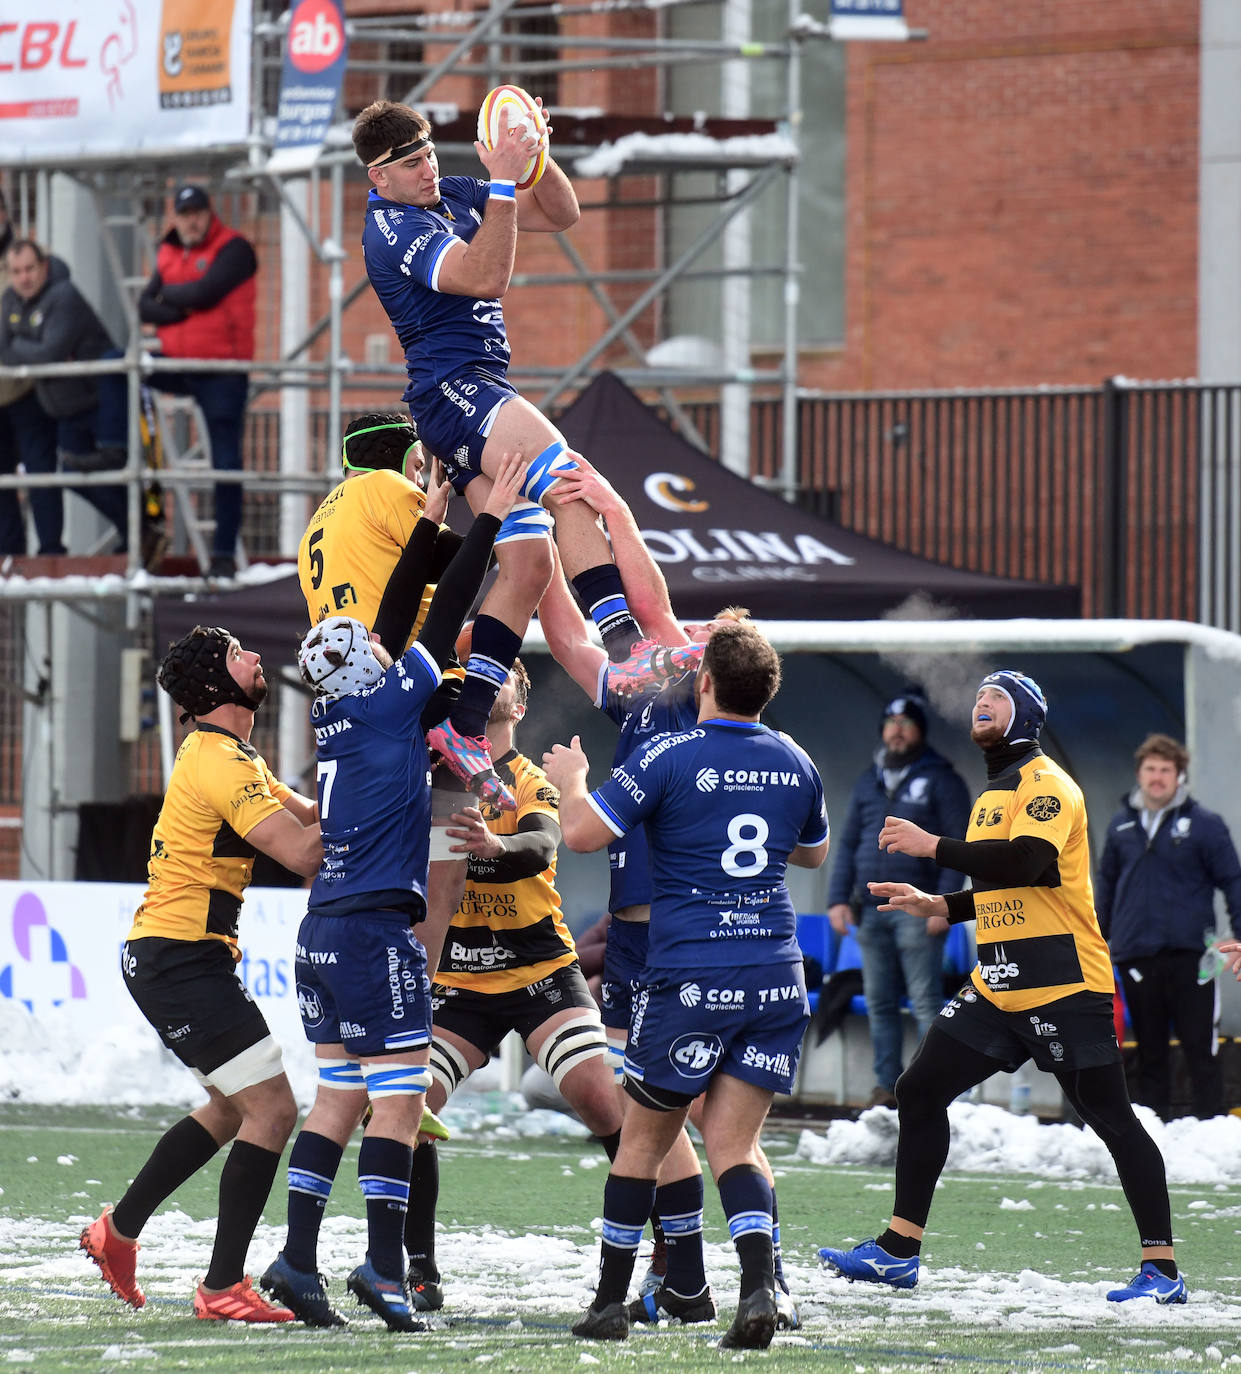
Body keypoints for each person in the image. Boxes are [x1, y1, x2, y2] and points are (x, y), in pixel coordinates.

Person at [816, 670, 1187, 1307]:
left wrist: (931, 845)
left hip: (1065, 986)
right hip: (999, 986)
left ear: (1025, 719)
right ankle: (899, 1252)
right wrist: (939, 904)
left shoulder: (1049, 786)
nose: (982, 705)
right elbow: (1004, 884)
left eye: (999, 699)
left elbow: (1026, 864)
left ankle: (1163, 1269)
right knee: (919, 1089)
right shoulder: (991, 796)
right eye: (979, 698)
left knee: (1110, 1120)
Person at [260, 452, 524, 1333]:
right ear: (365, 664)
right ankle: (381, 1265)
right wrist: (479, 523)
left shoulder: (340, 710)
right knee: (399, 1101)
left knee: (336, 1095)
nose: (383, 642)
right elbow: (439, 602)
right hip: (373, 932)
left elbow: (388, 613)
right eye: (375, 645)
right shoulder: (385, 700)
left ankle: (298, 1260)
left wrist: (435, 511)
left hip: (321, 932)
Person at [352, 99, 676, 807]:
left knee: (528, 563)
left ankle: (466, 721)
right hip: (454, 390)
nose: (429, 168)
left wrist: (532, 156)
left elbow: (560, 213)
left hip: (473, 397)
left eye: (431, 153)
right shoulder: (391, 227)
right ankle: (626, 647)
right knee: (572, 482)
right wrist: (500, 184)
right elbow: (482, 277)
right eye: (411, 164)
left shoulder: (453, 191)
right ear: (379, 178)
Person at [544, 621, 831, 1348]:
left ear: (702, 681)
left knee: (640, 1141)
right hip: (774, 973)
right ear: (765, 691)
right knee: (735, 1143)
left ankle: (608, 1303)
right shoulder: (796, 760)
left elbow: (581, 833)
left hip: (693, 975)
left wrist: (571, 782)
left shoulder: (671, 754)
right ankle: (761, 1288)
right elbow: (812, 851)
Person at [78, 625, 322, 1322]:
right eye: (238, 653)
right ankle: (220, 1288)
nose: (254, 658)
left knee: (229, 1108)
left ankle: (115, 1232)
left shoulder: (232, 753)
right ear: (218, 684)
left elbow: (311, 815)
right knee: (272, 1109)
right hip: (178, 960)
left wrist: (367, 776)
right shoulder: (221, 760)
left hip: (185, 955)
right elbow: (305, 854)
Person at [401, 656, 626, 1313]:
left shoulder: (527, 780)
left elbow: (542, 844)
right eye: (475, 674)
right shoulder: (432, 779)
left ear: (519, 708)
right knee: (408, 1110)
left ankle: (666, 1244)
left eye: (502, 677)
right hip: (459, 975)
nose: (486, 680)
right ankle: (418, 1268)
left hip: (538, 969)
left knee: (600, 1100)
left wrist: (492, 850)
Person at [826, 691, 972, 1108]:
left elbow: (955, 844)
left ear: (920, 731)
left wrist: (942, 905)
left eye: (907, 724)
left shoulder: (942, 778)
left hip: (918, 909)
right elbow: (850, 842)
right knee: (880, 1004)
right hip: (871, 911)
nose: (897, 731)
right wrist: (837, 899)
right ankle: (886, 1089)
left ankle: (933, 1089)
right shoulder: (869, 778)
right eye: (891, 724)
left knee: (926, 1001)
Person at [1096, 733, 1241, 1120]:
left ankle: (1212, 1132)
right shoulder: (1120, 826)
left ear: (1179, 776)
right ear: (1139, 773)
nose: (1157, 777)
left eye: (1165, 770)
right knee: (1150, 1053)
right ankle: (1153, 1137)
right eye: (1150, 769)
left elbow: (1233, 880)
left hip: (1194, 956)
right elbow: (1105, 887)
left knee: (1201, 1050)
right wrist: (1095, 940)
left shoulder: (1205, 824)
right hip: (1136, 955)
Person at [137, 183, 257, 579]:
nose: (191, 220)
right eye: (184, 213)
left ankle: (223, 552)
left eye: (197, 212)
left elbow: (206, 293)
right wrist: (183, 309)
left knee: (225, 463)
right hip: (177, 361)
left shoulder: (235, 249)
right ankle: (117, 456)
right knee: (125, 372)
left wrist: (169, 300)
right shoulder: (169, 249)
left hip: (222, 370)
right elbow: (144, 305)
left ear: (209, 213)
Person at [0, 239, 138, 556]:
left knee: (115, 471)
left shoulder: (64, 295)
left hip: (100, 401)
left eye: (30, 269)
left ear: (44, 267)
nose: (24, 278)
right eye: (17, 271)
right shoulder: (11, 300)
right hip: (65, 409)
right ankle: (134, 527)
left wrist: (21, 348)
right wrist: (31, 351)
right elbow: (4, 351)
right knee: (73, 476)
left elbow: (48, 352)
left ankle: (138, 527)